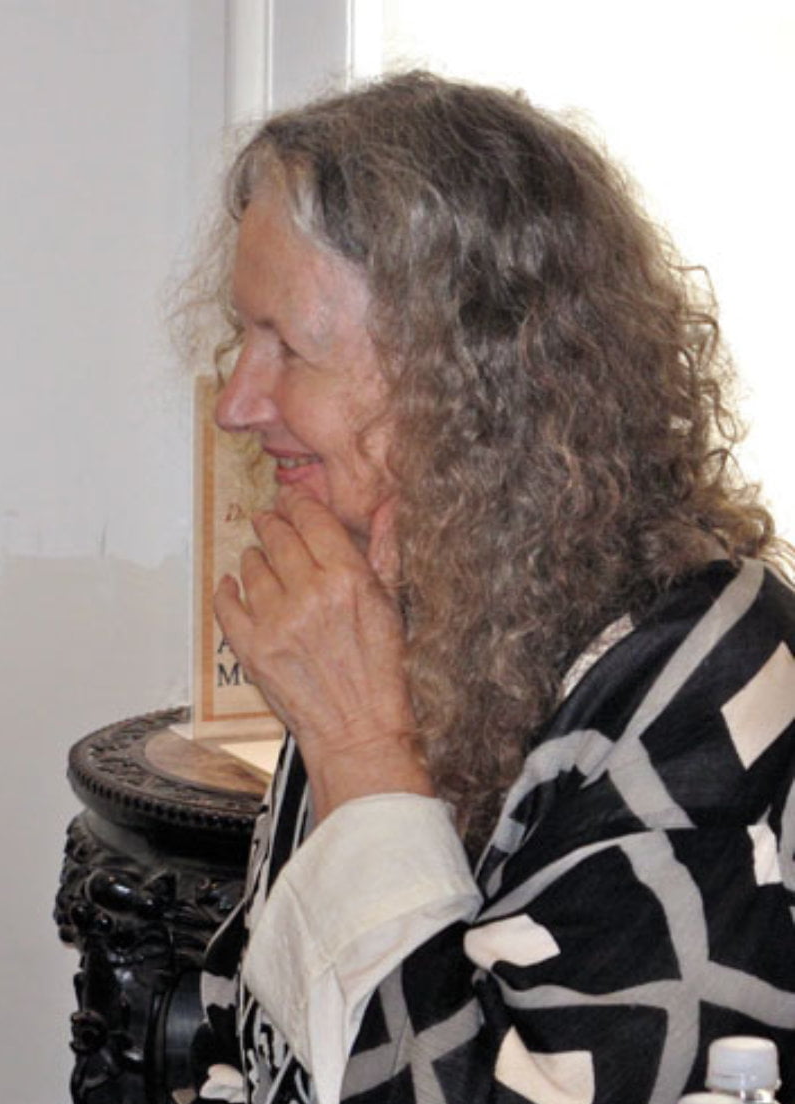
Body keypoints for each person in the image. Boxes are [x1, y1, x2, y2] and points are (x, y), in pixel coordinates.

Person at [186, 72, 795, 1104]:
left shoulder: (704, 674)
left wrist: (363, 758)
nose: (236, 403)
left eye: (288, 345)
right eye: (242, 338)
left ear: (468, 371)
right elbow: (262, 1036)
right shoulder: (407, 596)